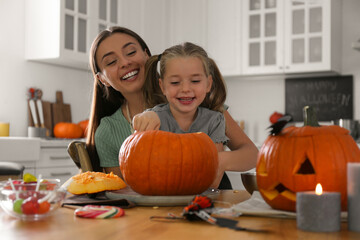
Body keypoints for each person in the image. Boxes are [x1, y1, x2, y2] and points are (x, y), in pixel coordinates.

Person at [86, 26, 258, 189]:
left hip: (208, 201)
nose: (125, 62)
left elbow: (251, 154)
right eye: (111, 61)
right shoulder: (108, 131)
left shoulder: (193, 100)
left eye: (131, 52)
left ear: (146, 55)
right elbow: (121, 191)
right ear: (103, 79)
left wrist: (218, 160)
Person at [132, 42, 228, 154]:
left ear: (208, 84)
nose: (185, 89)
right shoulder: (153, 118)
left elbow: (215, 165)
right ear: (162, 86)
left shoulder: (214, 121)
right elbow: (138, 156)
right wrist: (143, 119)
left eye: (195, 81)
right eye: (175, 82)